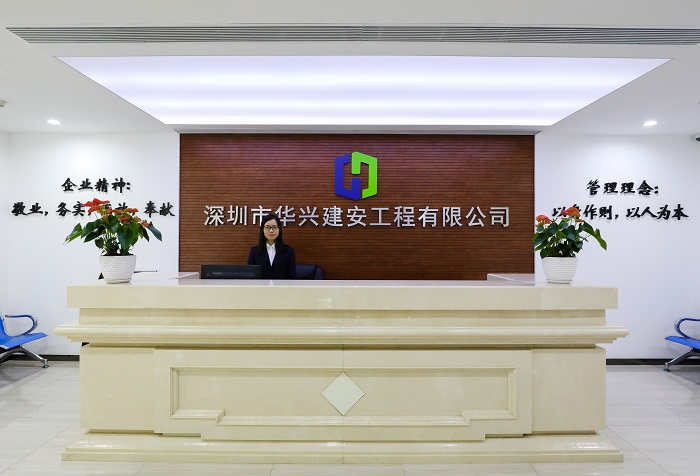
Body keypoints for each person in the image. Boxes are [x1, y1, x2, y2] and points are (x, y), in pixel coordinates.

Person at [247, 213, 297, 279]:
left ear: (279, 230)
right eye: (267, 227)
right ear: (263, 230)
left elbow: (292, 277)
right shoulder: (254, 251)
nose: (271, 231)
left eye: (274, 227)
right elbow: (250, 276)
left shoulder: (288, 251)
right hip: (261, 286)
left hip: (282, 286)